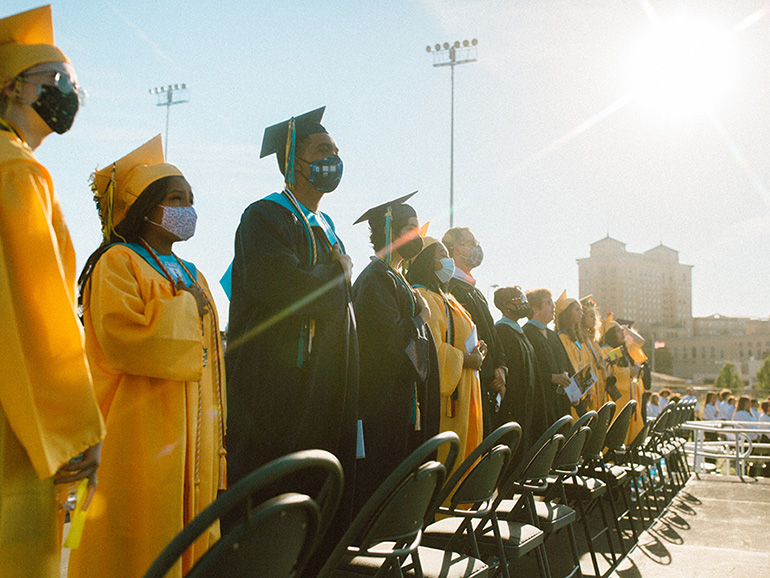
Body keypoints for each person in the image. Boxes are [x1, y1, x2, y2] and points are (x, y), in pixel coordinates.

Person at [68, 136, 226, 578]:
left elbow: (212, 363)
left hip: (194, 439)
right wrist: (186, 306)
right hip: (136, 432)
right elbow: (124, 340)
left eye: (192, 200)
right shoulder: (117, 263)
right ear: (146, 206)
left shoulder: (194, 273)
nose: (188, 209)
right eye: (177, 198)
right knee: (136, 539)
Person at [0, 6, 105, 576]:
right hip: (16, 424)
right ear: (12, 86)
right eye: (55, 82)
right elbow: (40, 313)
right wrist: (77, 429)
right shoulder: (16, 171)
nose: (69, 94)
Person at [224, 107, 359, 552]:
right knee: (272, 519)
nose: (333, 160)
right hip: (276, 397)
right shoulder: (264, 217)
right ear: (292, 161)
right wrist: (340, 275)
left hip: (323, 390)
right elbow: (288, 292)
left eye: (336, 152)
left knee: (314, 517)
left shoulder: (327, 227)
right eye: (322, 151)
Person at [351, 193, 439, 511]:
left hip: (397, 401)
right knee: (379, 484)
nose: (418, 236)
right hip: (379, 403)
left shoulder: (395, 278)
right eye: (411, 228)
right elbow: (387, 342)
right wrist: (420, 318)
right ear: (392, 233)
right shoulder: (375, 279)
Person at [407, 238, 484, 469]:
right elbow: (433, 349)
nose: (448, 260)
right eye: (441, 255)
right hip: (447, 398)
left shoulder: (447, 297)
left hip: (466, 387)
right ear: (425, 262)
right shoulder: (425, 297)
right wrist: (468, 359)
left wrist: (478, 349)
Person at [442, 227, 506, 435]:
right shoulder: (451, 289)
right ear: (456, 249)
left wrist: (501, 367)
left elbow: (491, 336)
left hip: (487, 386)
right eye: (471, 243)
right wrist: (489, 374)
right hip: (470, 384)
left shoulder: (475, 291)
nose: (477, 248)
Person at [493, 286, 544, 462]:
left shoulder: (517, 331)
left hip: (527, 405)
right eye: (518, 299)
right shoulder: (501, 331)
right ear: (506, 305)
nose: (523, 302)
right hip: (513, 407)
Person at [523, 288, 573, 430]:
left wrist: (577, 392)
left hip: (560, 402)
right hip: (542, 404)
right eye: (548, 302)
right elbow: (527, 371)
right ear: (534, 308)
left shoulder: (552, 335)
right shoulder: (526, 333)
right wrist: (550, 378)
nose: (553, 306)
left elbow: (567, 365)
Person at [601, 314, 644, 444]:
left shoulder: (619, 351)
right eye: (619, 331)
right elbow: (611, 372)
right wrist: (630, 371)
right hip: (617, 398)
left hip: (628, 396)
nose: (622, 334)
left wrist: (635, 372)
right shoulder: (606, 350)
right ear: (611, 334)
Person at [555, 291, 594, 415]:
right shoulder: (561, 338)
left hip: (581, 397)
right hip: (571, 398)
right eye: (577, 310)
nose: (581, 313)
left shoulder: (577, 339)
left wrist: (588, 391)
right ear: (567, 313)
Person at [580, 296, 608, 410]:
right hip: (590, 389)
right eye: (591, 316)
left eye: (595, 316)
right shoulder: (580, 340)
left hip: (600, 386)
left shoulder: (594, 341)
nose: (595, 319)